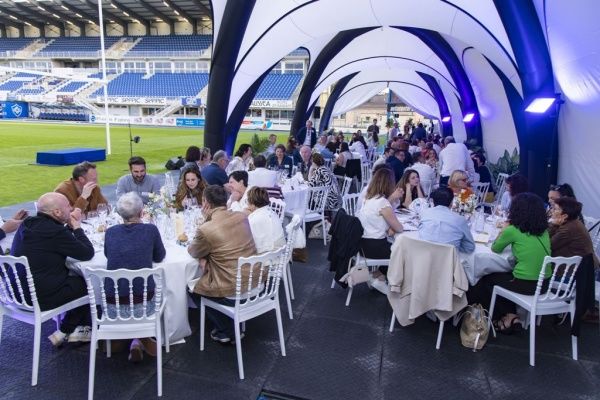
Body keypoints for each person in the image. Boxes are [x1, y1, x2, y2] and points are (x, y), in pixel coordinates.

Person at [11, 192, 95, 346]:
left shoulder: (27, 223)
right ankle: (69, 329)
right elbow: (87, 253)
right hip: (39, 297)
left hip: (16, 294)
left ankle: (75, 329)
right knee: (90, 283)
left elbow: (54, 242)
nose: (71, 209)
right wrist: (77, 228)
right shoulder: (56, 232)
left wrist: (67, 229)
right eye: (68, 206)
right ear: (57, 212)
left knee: (74, 278)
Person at [468, 193, 551, 333]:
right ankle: (510, 315)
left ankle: (500, 317)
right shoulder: (544, 231)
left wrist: (504, 230)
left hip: (526, 284)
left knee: (484, 279)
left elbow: (495, 248)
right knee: (503, 276)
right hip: (544, 284)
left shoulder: (513, 230)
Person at [187, 185, 256, 343]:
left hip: (232, 287)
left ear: (205, 203)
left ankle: (226, 329)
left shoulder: (206, 228)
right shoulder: (241, 216)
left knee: (191, 288)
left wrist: (205, 220)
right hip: (254, 280)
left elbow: (193, 251)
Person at [104, 192, 166, 362]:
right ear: (141, 213)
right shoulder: (150, 230)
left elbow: (109, 255)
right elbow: (159, 256)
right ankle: (141, 338)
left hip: (111, 307)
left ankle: (132, 340)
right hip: (144, 307)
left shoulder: (110, 232)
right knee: (166, 292)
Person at [357, 168, 404, 264]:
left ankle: (380, 274)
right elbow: (399, 228)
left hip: (362, 244)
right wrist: (393, 228)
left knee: (397, 247)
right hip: (375, 247)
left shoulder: (368, 199)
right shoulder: (382, 202)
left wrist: (390, 228)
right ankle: (386, 275)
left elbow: (379, 222)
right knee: (405, 253)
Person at [419, 187, 475, 253]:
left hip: (424, 258)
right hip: (448, 261)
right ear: (451, 202)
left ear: (433, 201)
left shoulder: (424, 213)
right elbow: (470, 248)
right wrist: (454, 247)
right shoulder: (460, 220)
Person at [246, 187, 285, 254]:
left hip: (267, 258)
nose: (247, 204)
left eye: (247, 201)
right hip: (280, 253)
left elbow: (248, 242)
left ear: (252, 203)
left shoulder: (253, 219)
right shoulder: (271, 212)